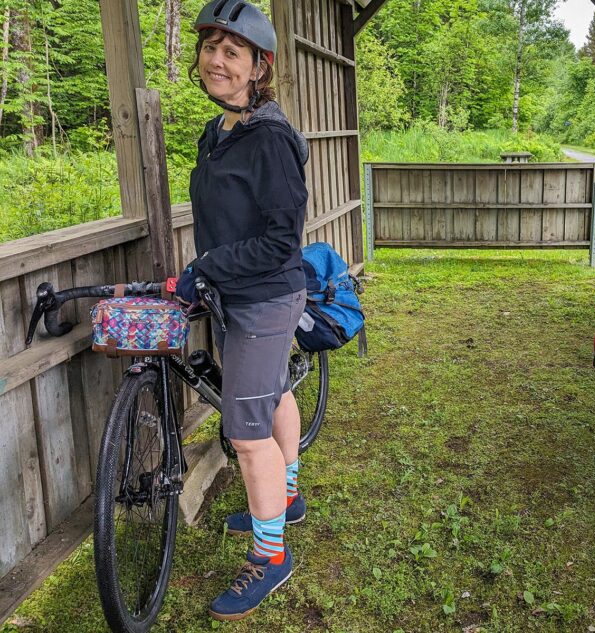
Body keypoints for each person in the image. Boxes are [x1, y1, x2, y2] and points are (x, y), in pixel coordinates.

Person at [175, 0, 309, 621]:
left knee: (245, 433)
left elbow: (281, 239)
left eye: (232, 52)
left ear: (261, 66)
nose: (216, 61)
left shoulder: (271, 139)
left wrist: (205, 269)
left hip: (264, 296)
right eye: (210, 48)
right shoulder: (219, 130)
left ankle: (271, 557)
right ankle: (289, 497)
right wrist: (211, 272)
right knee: (274, 392)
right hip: (237, 293)